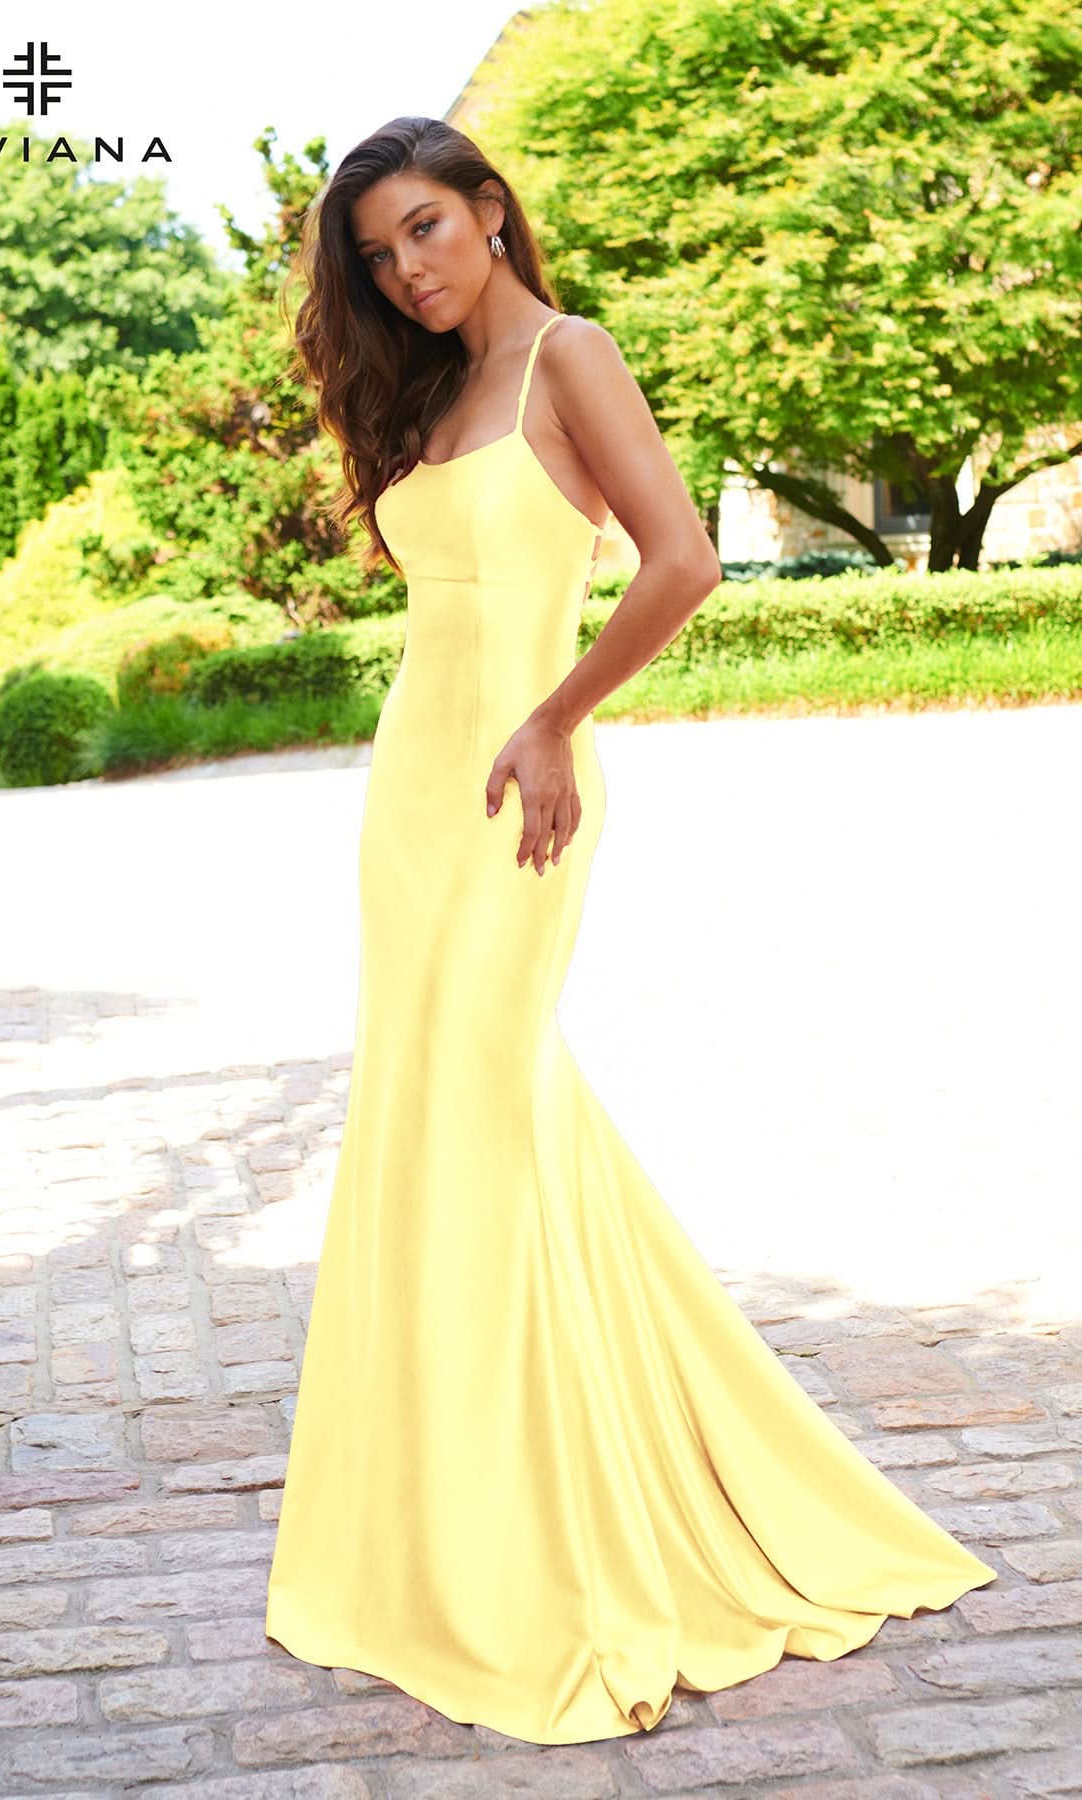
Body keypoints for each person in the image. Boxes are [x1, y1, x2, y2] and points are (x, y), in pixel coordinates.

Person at [263, 115, 997, 1747]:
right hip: (411, 798)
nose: (411, 270)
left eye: (428, 230)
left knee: (488, 1124)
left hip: (525, 784)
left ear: (491, 210)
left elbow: (683, 565)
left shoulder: (564, 357)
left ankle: (543, 1532)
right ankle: (435, 1533)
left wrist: (551, 721)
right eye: (381, 254)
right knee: (443, 1129)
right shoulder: (438, 389)